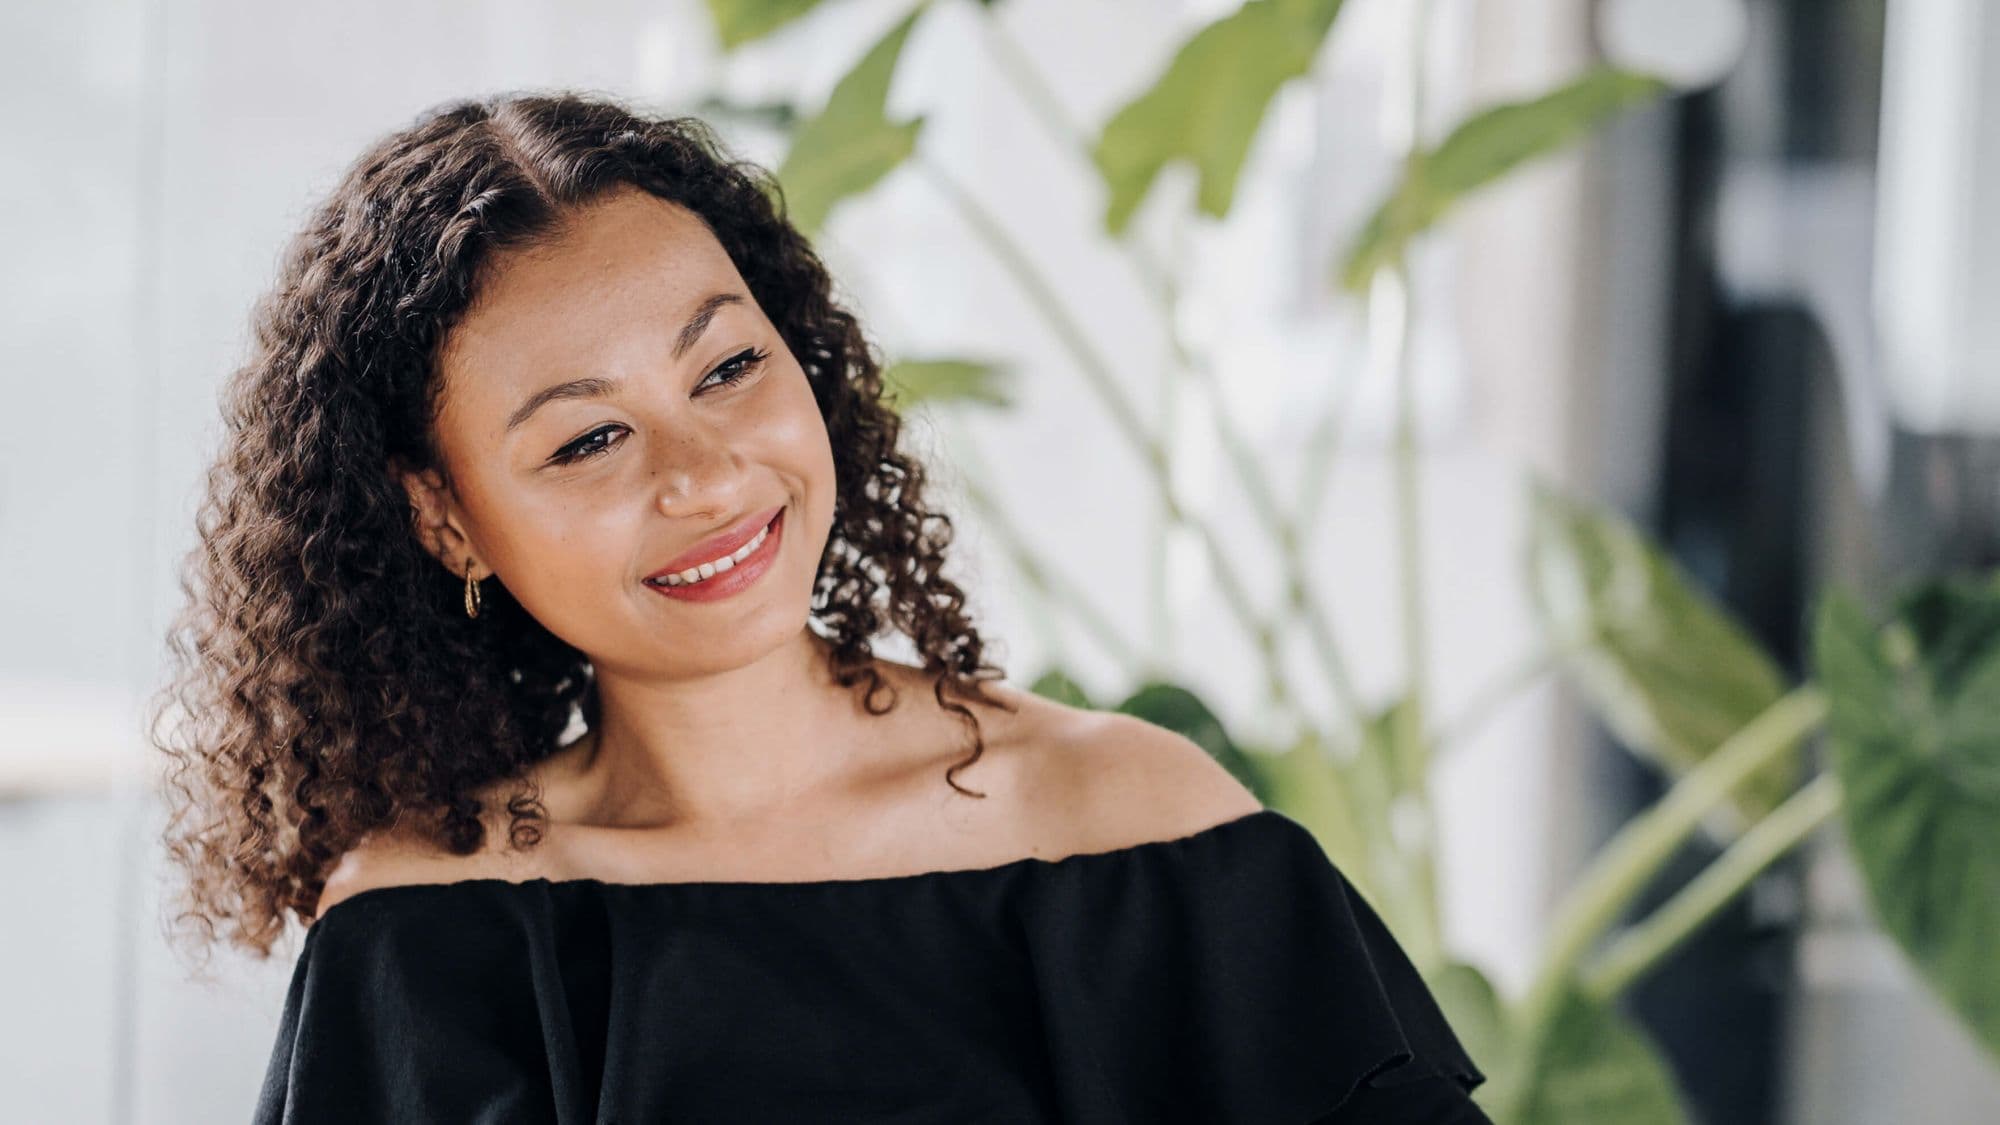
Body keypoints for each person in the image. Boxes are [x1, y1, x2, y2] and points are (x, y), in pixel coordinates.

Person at [149, 90, 1491, 1124]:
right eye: (588, 442)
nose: (706, 472)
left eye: (728, 366)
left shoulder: (1137, 837)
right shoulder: (424, 933)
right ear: (444, 515)